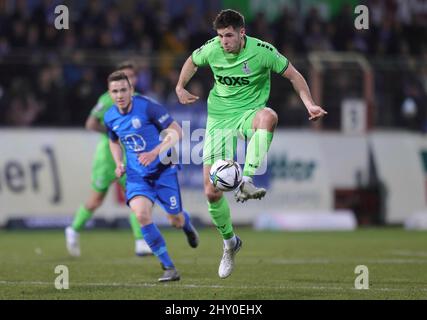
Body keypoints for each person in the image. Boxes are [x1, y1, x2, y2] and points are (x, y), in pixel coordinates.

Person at [175, 9, 327, 279]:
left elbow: (294, 75)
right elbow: (191, 61)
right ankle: (230, 243)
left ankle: (245, 178)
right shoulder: (212, 49)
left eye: (229, 36)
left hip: (249, 114)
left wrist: (310, 103)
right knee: (211, 193)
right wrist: (179, 86)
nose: (224, 41)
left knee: (269, 116)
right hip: (220, 119)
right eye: (220, 36)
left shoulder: (263, 51)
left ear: (242, 33)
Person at [104, 71, 199, 282]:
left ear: (131, 90)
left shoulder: (147, 107)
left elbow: (176, 131)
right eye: (115, 91)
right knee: (141, 216)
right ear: (109, 93)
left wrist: (155, 152)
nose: (119, 95)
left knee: (174, 219)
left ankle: (185, 223)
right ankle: (168, 267)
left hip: (164, 170)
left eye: (123, 90)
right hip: (137, 177)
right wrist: (119, 163)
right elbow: (113, 141)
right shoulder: (110, 116)